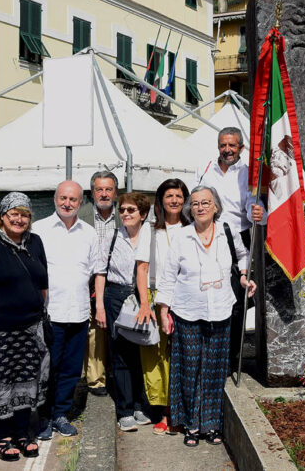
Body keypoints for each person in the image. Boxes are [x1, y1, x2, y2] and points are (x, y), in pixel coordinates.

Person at [155, 186, 256, 447]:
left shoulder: (226, 231)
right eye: (196, 203)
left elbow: (243, 255)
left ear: (216, 207)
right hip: (187, 311)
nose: (200, 207)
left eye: (206, 203)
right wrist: (164, 310)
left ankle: (210, 425)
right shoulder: (182, 236)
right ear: (191, 209)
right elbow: (168, 275)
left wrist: (244, 277)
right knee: (189, 370)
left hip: (220, 310)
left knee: (213, 371)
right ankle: (191, 424)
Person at [0, 192, 50, 462]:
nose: (19, 219)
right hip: (1, 327)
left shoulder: (36, 242)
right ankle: (4, 436)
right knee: (2, 383)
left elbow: (43, 280)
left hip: (31, 326)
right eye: (14, 213)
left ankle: (23, 432)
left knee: (28, 381)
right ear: (2, 216)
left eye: (25, 214)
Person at [34, 180, 100, 439]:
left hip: (79, 312)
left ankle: (61, 413)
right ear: (54, 199)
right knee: (47, 368)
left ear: (80, 202)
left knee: (72, 369)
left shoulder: (89, 232)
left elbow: (96, 272)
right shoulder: (39, 229)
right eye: (63, 198)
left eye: (73, 199)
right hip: (51, 313)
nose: (67, 203)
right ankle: (44, 416)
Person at [195, 127, 265, 371]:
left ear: (241, 148)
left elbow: (255, 209)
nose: (227, 150)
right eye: (223, 145)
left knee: (236, 303)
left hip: (239, 241)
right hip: (209, 239)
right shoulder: (205, 171)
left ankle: (231, 359)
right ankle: (209, 355)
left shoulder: (249, 174)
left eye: (232, 146)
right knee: (209, 296)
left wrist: (258, 212)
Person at [95, 192, 152, 431]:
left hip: (143, 296)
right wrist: (99, 306)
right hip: (116, 295)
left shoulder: (151, 235)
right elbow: (100, 272)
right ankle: (125, 409)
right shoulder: (111, 237)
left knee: (141, 352)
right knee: (119, 353)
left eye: (131, 210)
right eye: (123, 210)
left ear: (143, 214)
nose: (126, 214)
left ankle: (140, 405)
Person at [137, 179, 190, 434]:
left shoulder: (191, 227)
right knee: (155, 353)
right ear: (161, 200)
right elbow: (142, 267)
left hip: (186, 295)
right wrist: (145, 303)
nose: (174, 200)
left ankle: (177, 409)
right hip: (156, 293)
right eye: (169, 195)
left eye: (179, 196)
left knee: (180, 353)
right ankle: (162, 409)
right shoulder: (150, 230)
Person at [78, 170, 120, 397]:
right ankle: (95, 379)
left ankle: (113, 373)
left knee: (114, 330)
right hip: (88, 280)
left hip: (117, 280)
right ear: (92, 192)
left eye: (108, 189)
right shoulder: (81, 214)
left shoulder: (125, 213)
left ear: (115, 192)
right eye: (99, 189)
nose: (104, 194)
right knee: (93, 331)